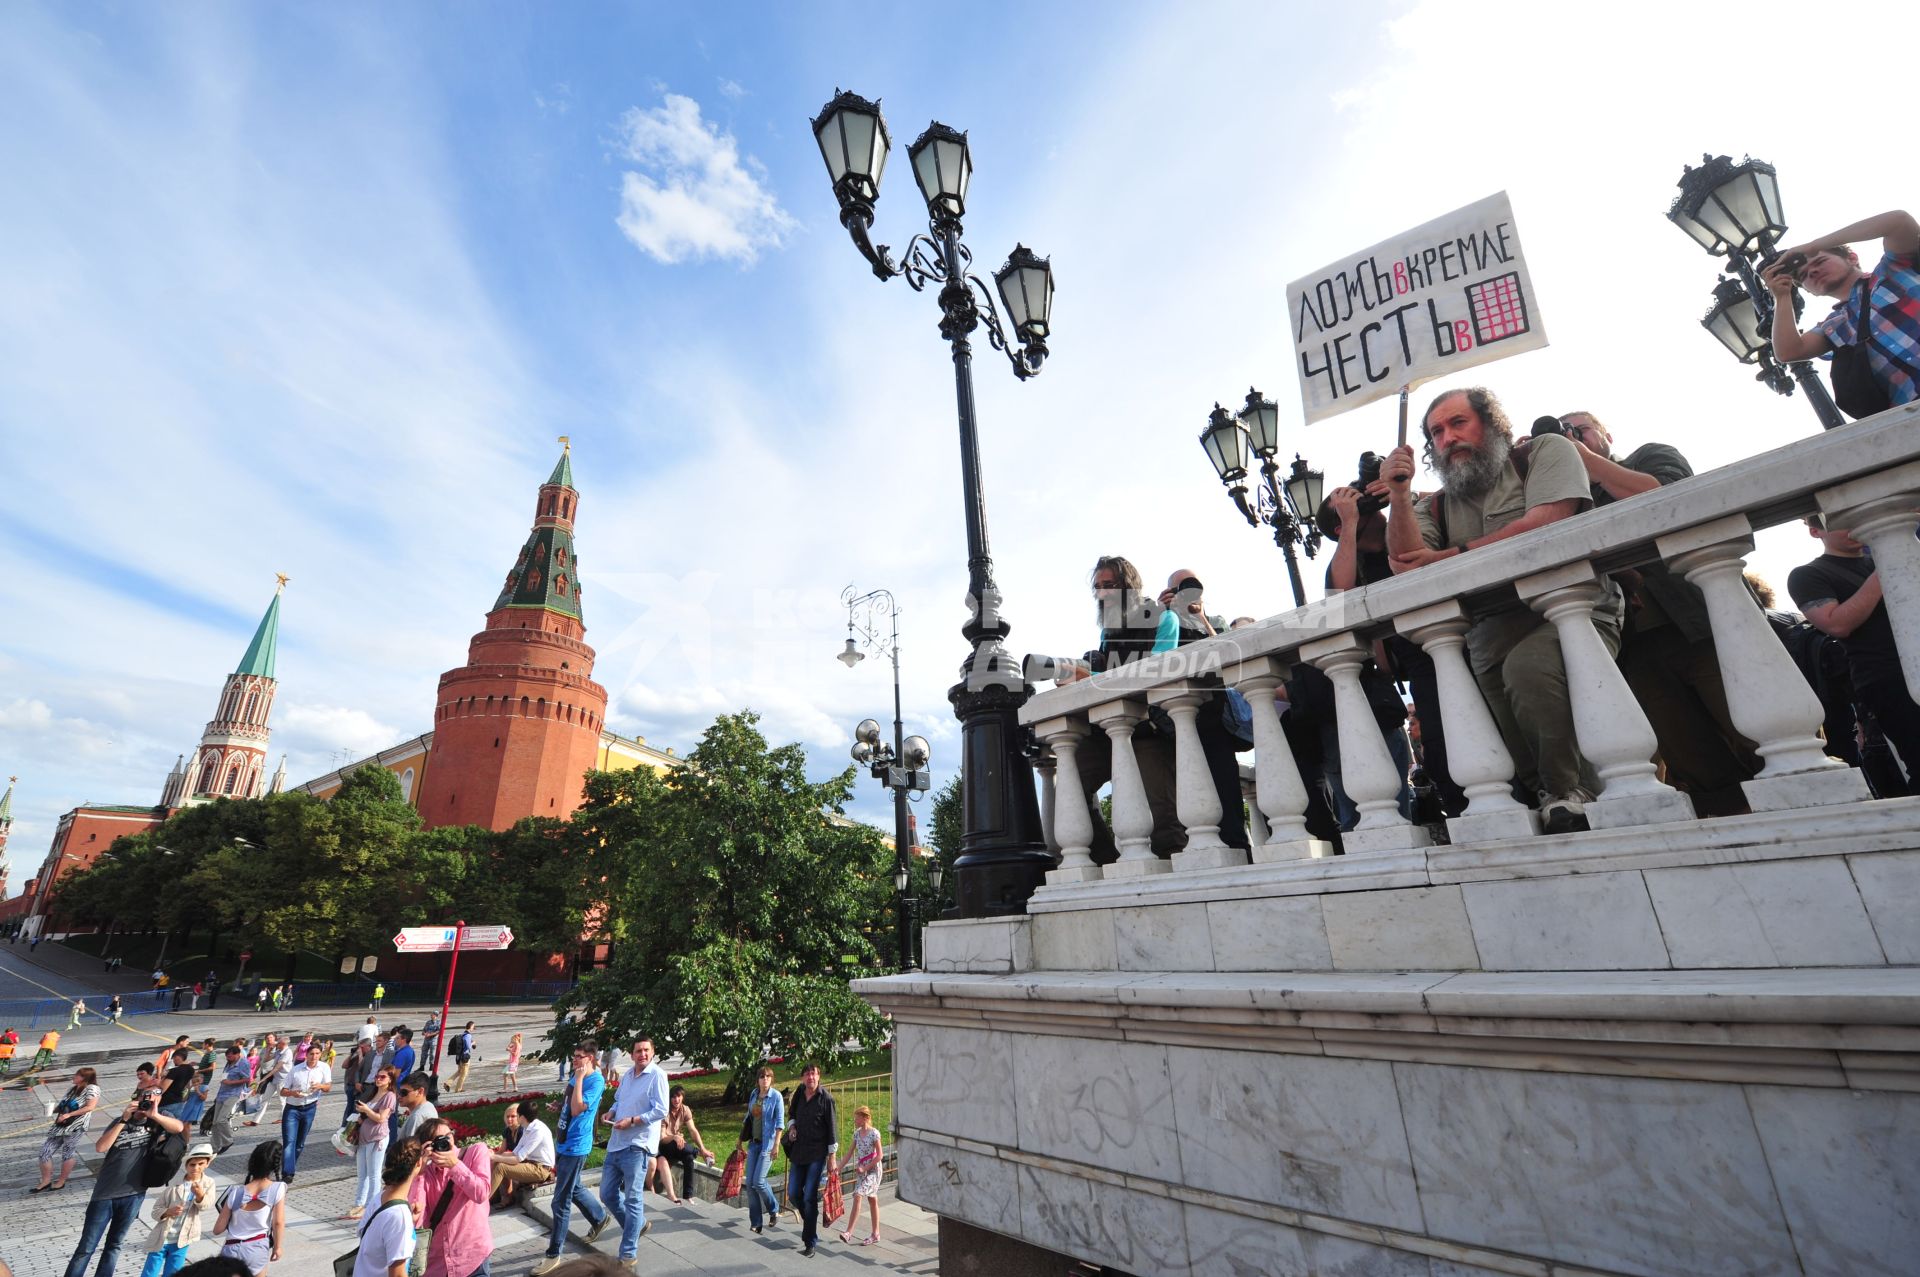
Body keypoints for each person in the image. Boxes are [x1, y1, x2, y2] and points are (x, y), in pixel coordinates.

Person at [1383, 386, 1618, 833]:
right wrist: (1398, 494)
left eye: (1458, 423)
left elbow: (1548, 521)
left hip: (1570, 611)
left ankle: (1572, 796)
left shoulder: (1544, 451)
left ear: (1490, 425)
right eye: (1436, 432)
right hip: (1489, 638)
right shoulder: (1433, 502)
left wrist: (1452, 556)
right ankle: (1556, 802)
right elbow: (1406, 562)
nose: (1447, 438)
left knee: (1529, 672)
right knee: (1517, 750)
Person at [1550, 410, 1760, 816]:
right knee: (1691, 759)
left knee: (1760, 733)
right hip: (1634, 647)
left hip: (1704, 622)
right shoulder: (1569, 499)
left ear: (1606, 433)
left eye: (1579, 429)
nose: (1572, 438)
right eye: (1562, 436)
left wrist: (1582, 457)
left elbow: (1671, 496)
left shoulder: (1649, 456)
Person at [1320, 483, 1466, 820]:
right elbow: (1336, 602)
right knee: (1442, 747)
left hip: (1458, 636)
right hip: (1417, 660)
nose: (1373, 509)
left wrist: (1400, 491)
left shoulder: (1411, 517)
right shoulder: (1354, 558)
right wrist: (1351, 522)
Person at [1053, 555, 1186, 862]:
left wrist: (1088, 676)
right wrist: (1077, 681)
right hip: (1108, 726)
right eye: (1098, 587)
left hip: (1149, 724)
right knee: (1071, 785)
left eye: (1109, 585)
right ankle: (1109, 861)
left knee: (1163, 815)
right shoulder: (1107, 631)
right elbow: (1106, 676)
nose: (1102, 594)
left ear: (1129, 586)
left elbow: (1155, 671)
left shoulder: (1164, 618)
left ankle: (1179, 877)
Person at [1790, 518, 1920, 788]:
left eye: (1854, 518)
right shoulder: (1807, 574)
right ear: (1815, 531)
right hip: (1887, 679)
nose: (1851, 527)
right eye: (1839, 521)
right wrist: (1884, 569)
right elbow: (1837, 624)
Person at [1763, 210, 1920, 414]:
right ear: (1810, 291)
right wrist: (1782, 296)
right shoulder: (1833, 326)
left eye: (1819, 262)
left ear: (1852, 258)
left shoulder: (1892, 269)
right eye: (1804, 276)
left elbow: (1899, 221)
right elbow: (1788, 351)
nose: (1813, 272)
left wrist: (1814, 246)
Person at [1156, 568, 1252, 851]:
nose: (1187, 590)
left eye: (1191, 584)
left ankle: (1237, 847)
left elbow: (1225, 650)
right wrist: (1164, 614)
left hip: (1217, 714)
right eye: (1179, 586)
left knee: (1226, 785)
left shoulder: (1213, 620)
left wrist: (1199, 615)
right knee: (1187, 792)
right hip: (1180, 716)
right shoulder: (1165, 619)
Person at [64, 1088, 189, 1277]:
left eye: (153, 1099)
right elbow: (100, 1147)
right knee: (86, 1247)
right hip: (104, 1194)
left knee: (114, 1245)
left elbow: (179, 1128)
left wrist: (154, 1114)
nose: (147, 1103)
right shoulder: (121, 1120)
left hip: (134, 1194)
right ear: (137, 1099)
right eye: (144, 1099)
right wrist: (123, 1119)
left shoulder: (160, 1120)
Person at [532, 1042, 610, 1275]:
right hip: (563, 1142)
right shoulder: (576, 1076)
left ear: (591, 1058)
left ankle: (554, 1254)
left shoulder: (595, 1081)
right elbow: (569, 1105)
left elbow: (577, 1109)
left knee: (560, 1201)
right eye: (574, 1056)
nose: (575, 1060)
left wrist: (578, 1080)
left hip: (577, 1147)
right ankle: (599, 1217)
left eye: (579, 1057)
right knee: (573, 1186)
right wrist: (559, 1106)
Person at [600, 1035, 670, 1269]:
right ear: (631, 1055)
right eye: (638, 1051)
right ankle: (637, 1224)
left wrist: (632, 1121)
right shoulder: (629, 1074)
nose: (642, 1054)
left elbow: (661, 1110)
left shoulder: (657, 1076)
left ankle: (628, 1253)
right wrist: (611, 1112)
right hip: (616, 1142)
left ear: (653, 1052)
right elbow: (619, 1100)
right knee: (607, 1194)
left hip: (638, 1145)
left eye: (646, 1050)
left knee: (633, 1198)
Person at [407, 1118, 493, 1277]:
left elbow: (481, 1193)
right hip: (437, 1264)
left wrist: (455, 1166)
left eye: (447, 1137)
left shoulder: (475, 1152)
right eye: (437, 1141)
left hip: (472, 1258)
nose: (445, 1143)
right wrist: (419, 1172)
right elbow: (416, 1220)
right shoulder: (427, 1174)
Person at [784, 1063, 839, 1258]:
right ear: (802, 1078)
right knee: (792, 1194)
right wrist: (791, 1128)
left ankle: (810, 1242)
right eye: (807, 1074)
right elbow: (792, 1113)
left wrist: (832, 1157)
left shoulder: (826, 1099)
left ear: (819, 1076)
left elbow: (833, 1129)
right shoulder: (800, 1093)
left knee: (808, 1197)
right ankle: (811, 1219)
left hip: (817, 1154)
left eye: (813, 1074)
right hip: (799, 1151)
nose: (810, 1078)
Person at [137, 1142, 216, 1277]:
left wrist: (200, 1195)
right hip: (162, 1236)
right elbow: (156, 1209)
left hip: (183, 1238)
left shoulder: (208, 1183)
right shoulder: (175, 1183)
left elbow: (206, 1206)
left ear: (207, 1164)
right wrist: (168, 1212)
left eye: (201, 1164)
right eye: (192, 1164)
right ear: (186, 1165)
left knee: (174, 1272)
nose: (196, 1168)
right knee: (150, 1271)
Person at [350, 1137, 423, 1277]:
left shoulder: (380, 1197)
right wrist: (405, 1223)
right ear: (418, 1163)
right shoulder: (399, 1216)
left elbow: (375, 1238)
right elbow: (397, 1274)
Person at [213, 1140, 286, 1275]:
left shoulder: (235, 1192)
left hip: (230, 1251)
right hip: (257, 1247)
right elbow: (278, 1222)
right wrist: (277, 1247)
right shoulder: (277, 1188)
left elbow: (217, 1230)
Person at [35, 1066, 102, 1192]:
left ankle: (61, 1181)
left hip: (76, 1126)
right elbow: (63, 1105)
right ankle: (46, 1180)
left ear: (84, 1078)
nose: (73, 1077)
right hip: (61, 1125)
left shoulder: (92, 1088)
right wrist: (52, 1110)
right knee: (45, 1152)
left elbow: (90, 1107)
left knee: (67, 1153)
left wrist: (69, 1114)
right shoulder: (72, 1089)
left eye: (77, 1075)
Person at [275, 1035, 330, 1183]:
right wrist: (293, 1093)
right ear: (306, 1055)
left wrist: (320, 1086)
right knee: (289, 1141)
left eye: (317, 1054)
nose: (314, 1056)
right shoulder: (296, 1070)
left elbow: (328, 1087)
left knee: (299, 1143)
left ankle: (288, 1163)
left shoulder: (324, 1068)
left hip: (310, 1107)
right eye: (312, 1054)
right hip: (292, 1108)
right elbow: (283, 1091)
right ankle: (288, 1173)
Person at [347, 1067, 399, 1220]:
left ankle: (372, 1206)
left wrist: (366, 1110)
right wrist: (361, 1116)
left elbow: (381, 1118)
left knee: (374, 1174)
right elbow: (369, 1116)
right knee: (362, 1174)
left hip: (377, 1138)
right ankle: (359, 1204)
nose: (378, 1079)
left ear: (390, 1079)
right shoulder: (374, 1092)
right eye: (377, 1076)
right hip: (363, 1138)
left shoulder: (390, 1096)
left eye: (382, 1077)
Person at [741, 1064, 785, 1236]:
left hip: (768, 1144)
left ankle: (774, 1209)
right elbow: (748, 1117)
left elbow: (780, 1123)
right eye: (762, 1077)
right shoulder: (754, 1094)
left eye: (767, 1077)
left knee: (759, 1181)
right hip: (754, 1143)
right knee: (750, 1184)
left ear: (771, 1079)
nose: (764, 1079)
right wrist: (740, 1138)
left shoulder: (776, 1097)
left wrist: (776, 1145)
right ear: (758, 1080)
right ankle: (756, 1222)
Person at [489, 1098, 556, 1206]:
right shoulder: (527, 1127)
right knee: (497, 1163)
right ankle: (498, 1197)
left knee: (501, 1167)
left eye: (516, 1115)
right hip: (531, 1165)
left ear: (522, 1117)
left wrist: (494, 1157)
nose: (511, 1118)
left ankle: (482, 1202)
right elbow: (515, 1152)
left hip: (541, 1170)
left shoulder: (538, 1130)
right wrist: (492, 1155)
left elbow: (518, 1158)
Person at [652, 1086, 711, 1203]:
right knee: (676, 1142)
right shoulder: (664, 1111)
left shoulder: (685, 1109)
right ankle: (698, 1153)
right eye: (673, 1097)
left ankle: (687, 1196)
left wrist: (702, 1147)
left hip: (678, 1147)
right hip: (663, 1146)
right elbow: (662, 1138)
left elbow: (693, 1130)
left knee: (689, 1158)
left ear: (682, 1097)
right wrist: (674, 1137)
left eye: (678, 1096)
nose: (676, 1100)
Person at [838, 1105, 884, 1246]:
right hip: (862, 1171)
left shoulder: (874, 1133)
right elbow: (849, 1153)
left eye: (857, 1117)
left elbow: (880, 1155)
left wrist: (865, 1167)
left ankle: (848, 1232)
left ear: (865, 1118)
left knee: (858, 1194)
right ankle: (875, 1234)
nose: (854, 1120)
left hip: (873, 1171)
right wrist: (838, 1169)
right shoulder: (857, 1134)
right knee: (872, 1200)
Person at [209, 1046, 254, 1155]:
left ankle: (228, 1141)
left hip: (232, 1094)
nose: (228, 1058)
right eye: (227, 1056)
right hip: (222, 1094)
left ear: (237, 1054)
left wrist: (231, 1083)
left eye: (230, 1056)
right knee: (215, 1122)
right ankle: (215, 1147)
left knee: (221, 1119)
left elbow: (248, 1079)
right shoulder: (228, 1063)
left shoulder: (243, 1063)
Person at [159, 1048, 200, 1121]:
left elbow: (162, 1088)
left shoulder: (174, 1071)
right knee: (174, 1127)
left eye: (174, 1058)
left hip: (167, 1102)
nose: (173, 1061)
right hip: (179, 1102)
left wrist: (162, 1077)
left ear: (178, 1057)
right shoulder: (191, 1070)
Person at [397, 1072, 439, 1142]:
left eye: (404, 1092)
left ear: (420, 1091)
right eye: (399, 1092)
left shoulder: (417, 1117)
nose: (399, 1096)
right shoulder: (429, 1106)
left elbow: (409, 1148)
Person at [447, 1022, 477, 1094]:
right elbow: (468, 1046)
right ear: (470, 1026)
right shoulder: (468, 1035)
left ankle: (447, 1083)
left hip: (459, 1057)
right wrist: (473, 1043)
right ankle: (458, 1089)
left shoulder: (463, 1034)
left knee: (459, 1072)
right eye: (473, 1026)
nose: (474, 1028)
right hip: (464, 1057)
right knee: (464, 1073)